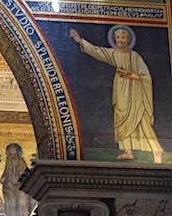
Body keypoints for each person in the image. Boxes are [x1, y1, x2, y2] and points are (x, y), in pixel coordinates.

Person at [69, 25, 163, 164]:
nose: (120, 40)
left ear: (128, 39)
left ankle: (157, 151)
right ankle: (127, 151)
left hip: (136, 93)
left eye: (123, 37)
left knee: (141, 121)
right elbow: (98, 51)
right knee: (120, 119)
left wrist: (135, 76)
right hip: (120, 91)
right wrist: (80, 40)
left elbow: (146, 76)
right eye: (118, 37)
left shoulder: (135, 56)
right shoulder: (114, 54)